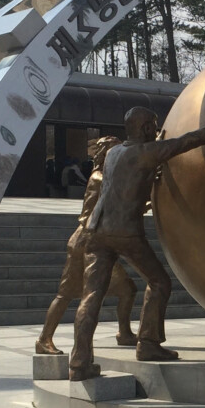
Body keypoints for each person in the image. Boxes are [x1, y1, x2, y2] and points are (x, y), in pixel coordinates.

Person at [69, 105, 205, 380]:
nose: (156, 129)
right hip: (124, 232)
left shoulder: (114, 153)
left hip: (95, 230)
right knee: (160, 281)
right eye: (152, 124)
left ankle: (79, 362)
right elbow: (185, 142)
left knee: (91, 296)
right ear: (144, 128)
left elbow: (127, 179)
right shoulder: (146, 153)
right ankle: (148, 343)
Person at [36, 137, 136, 356]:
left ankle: (124, 333)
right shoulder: (100, 178)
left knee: (127, 289)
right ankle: (44, 339)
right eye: (116, 152)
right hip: (84, 243)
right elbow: (97, 211)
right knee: (65, 294)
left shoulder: (109, 177)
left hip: (100, 242)